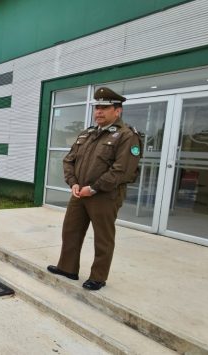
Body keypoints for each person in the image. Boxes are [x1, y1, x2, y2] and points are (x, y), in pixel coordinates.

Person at [47, 87, 142, 291]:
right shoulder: (88, 134)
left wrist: (95, 188)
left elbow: (121, 171)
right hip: (79, 193)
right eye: (97, 107)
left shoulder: (126, 136)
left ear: (118, 111)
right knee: (71, 231)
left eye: (104, 108)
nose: (98, 111)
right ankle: (67, 267)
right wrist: (73, 183)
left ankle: (98, 277)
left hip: (105, 196)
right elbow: (69, 160)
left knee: (103, 238)